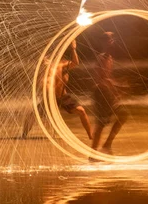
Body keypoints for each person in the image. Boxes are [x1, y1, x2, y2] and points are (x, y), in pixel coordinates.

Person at [22, 40, 92, 140]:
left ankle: (91, 136)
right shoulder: (44, 67)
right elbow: (41, 78)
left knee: (81, 111)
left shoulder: (61, 64)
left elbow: (75, 63)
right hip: (49, 99)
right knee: (33, 115)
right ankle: (23, 135)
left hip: (63, 97)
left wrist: (73, 48)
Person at [90, 31, 128, 159]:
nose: (112, 41)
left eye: (112, 39)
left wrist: (116, 90)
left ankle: (107, 145)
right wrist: (117, 86)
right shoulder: (102, 58)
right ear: (104, 42)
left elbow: (107, 79)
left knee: (123, 115)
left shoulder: (109, 58)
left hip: (107, 93)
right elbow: (101, 79)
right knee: (101, 124)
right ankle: (93, 154)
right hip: (101, 94)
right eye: (109, 39)